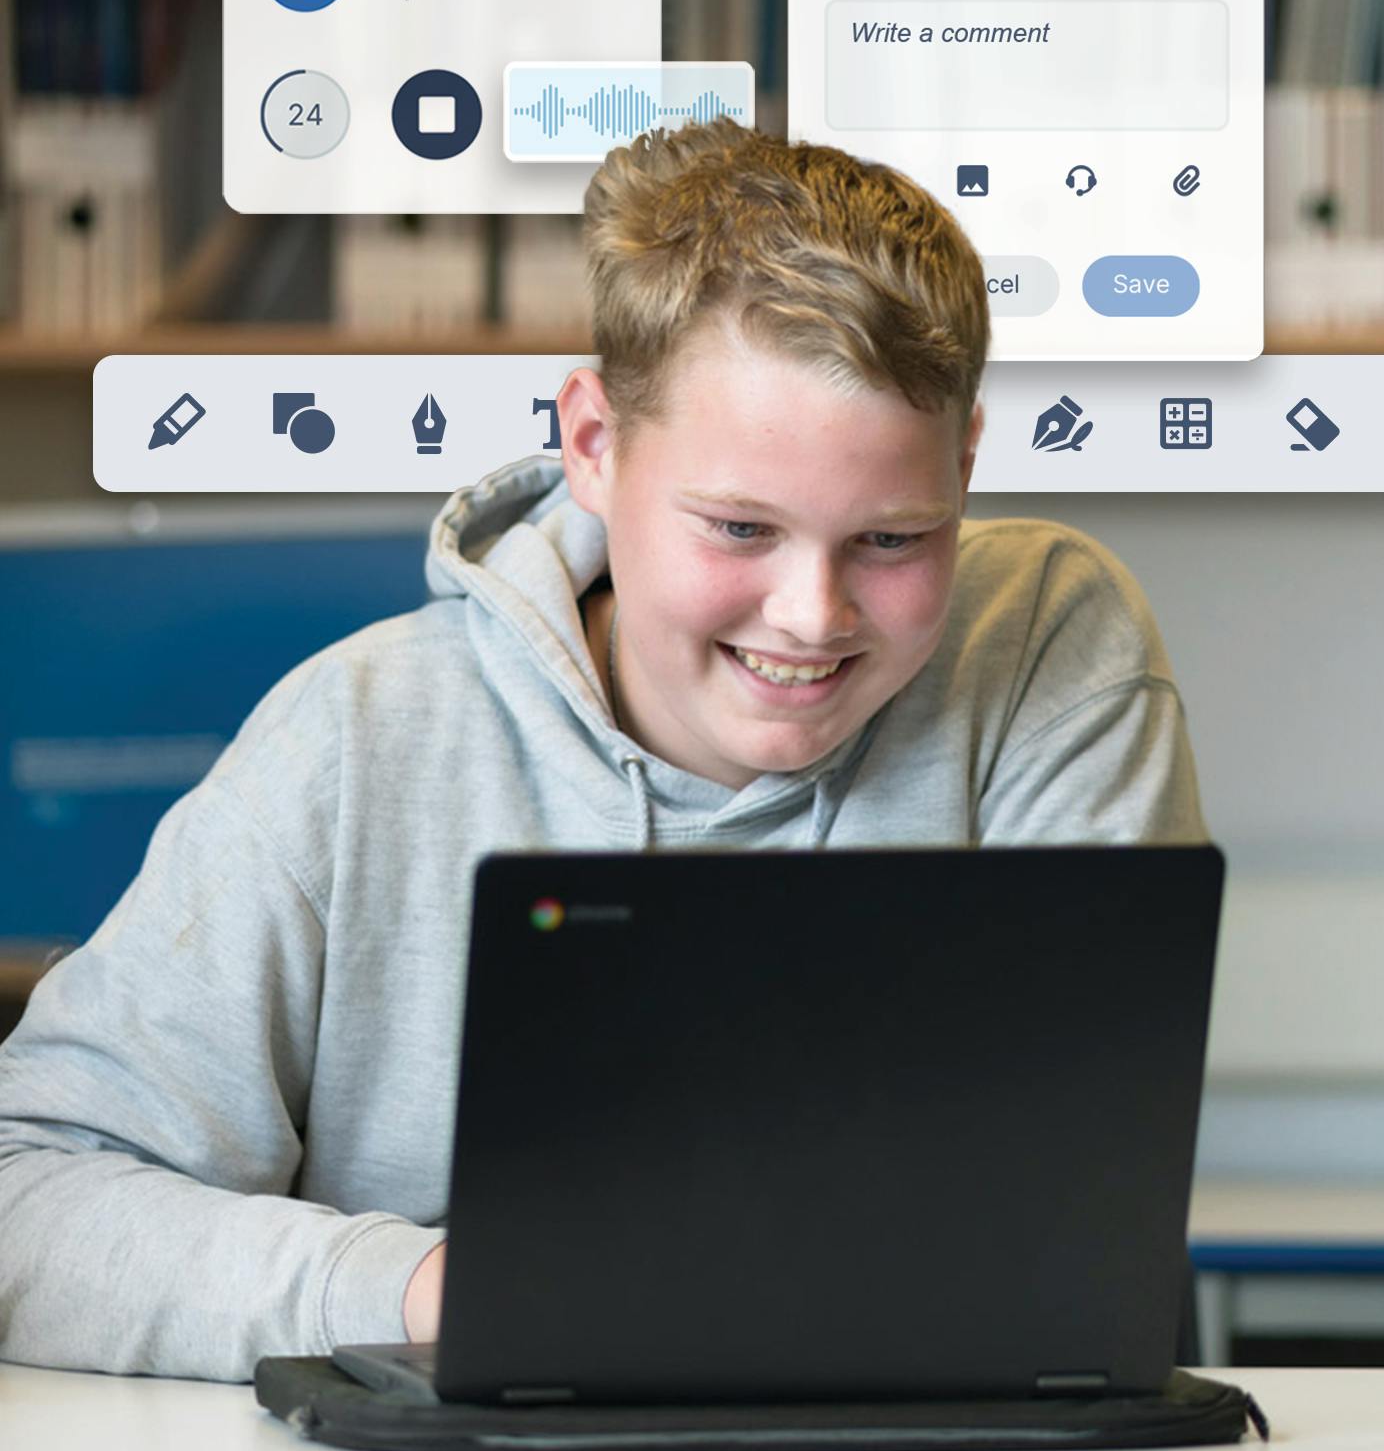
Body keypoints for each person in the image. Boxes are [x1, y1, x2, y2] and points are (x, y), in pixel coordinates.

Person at [0, 121, 1205, 1382]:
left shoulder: (1047, 644)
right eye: (740, 527)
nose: (812, 615)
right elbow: (30, 1206)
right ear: (593, 446)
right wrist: (435, 1288)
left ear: (963, 465)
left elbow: (1065, 1215)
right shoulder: (352, 741)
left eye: (895, 540)